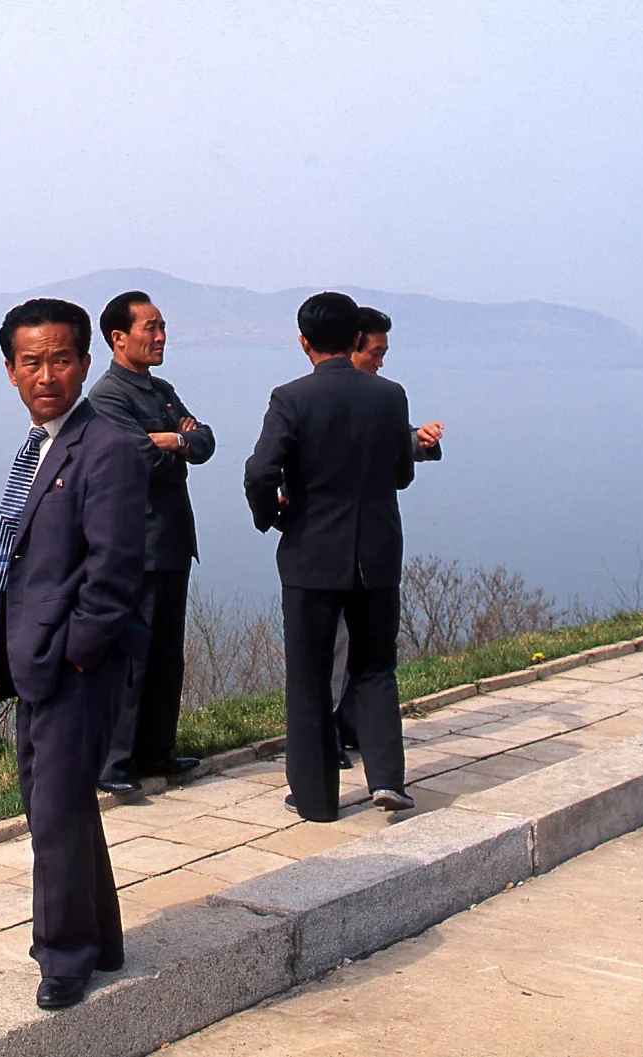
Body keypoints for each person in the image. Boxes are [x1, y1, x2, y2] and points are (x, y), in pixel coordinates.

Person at [0, 298, 149, 1010]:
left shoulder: (108, 448)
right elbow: (16, 561)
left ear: (84, 362)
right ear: (10, 369)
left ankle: (63, 958)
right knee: (61, 806)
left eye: (61, 360)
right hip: (32, 657)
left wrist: (74, 654)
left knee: (53, 813)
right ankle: (99, 941)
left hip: (77, 666)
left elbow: (115, 572)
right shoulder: (40, 446)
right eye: (31, 362)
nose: (46, 375)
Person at [243, 292, 416, 822]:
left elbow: (259, 472)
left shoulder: (291, 398)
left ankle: (316, 798)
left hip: (311, 555)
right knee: (376, 667)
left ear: (304, 342)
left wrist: (273, 515)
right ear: (355, 337)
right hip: (377, 552)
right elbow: (401, 474)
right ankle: (386, 779)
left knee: (309, 677)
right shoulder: (390, 396)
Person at [87, 291, 214, 794]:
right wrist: (174, 444)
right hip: (137, 544)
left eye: (162, 327)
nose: (160, 337)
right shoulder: (108, 397)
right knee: (130, 656)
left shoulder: (162, 390)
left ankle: (157, 750)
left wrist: (175, 439)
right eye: (151, 328)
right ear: (119, 338)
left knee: (165, 655)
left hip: (173, 541)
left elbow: (204, 442)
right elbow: (136, 459)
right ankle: (113, 762)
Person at [331, 306, 444, 760]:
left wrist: (420, 440)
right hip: (333, 544)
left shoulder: (384, 398)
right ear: (352, 346)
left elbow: (393, 444)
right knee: (336, 642)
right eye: (375, 353)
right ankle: (328, 731)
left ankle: (354, 723)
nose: (380, 362)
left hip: (372, 543)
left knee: (365, 642)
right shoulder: (319, 397)